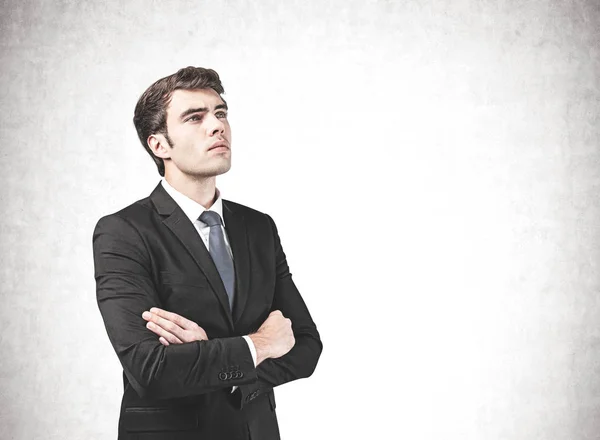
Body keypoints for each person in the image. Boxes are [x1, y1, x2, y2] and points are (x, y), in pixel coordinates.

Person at [92, 66, 323, 440]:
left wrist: (217, 361)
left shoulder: (258, 227)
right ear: (159, 145)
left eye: (220, 113)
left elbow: (306, 346)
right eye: (194, 117)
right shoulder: (124, 232)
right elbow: (149, 369)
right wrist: (258, 345)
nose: (216, 126)